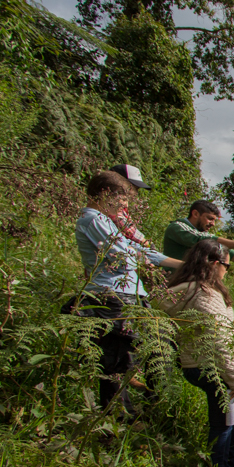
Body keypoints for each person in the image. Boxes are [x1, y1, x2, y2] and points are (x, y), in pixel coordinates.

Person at [71, 169, 183, 411]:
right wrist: (139, 253)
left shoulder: (114, 223)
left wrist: (185, 266)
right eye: (122, 199)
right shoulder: (93, 220)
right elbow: (122, 257)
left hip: (129, 294)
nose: (125, 205)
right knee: (115, 359)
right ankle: (117, 417)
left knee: (141, 352)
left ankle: (141, 408)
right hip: (111, 295)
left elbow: (143, 253)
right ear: (103, 194)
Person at [158, 240, 234, 467]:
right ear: (215, 263)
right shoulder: (205, 294)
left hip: (194, 363)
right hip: (218, 368)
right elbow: (219, 338)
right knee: (225, 425)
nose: (227, 272)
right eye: (227, 267)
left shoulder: (180, 290)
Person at [162, 200, 234, 264]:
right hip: (173, 281)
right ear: (195, 214)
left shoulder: (198, 231)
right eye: (209, 219)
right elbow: (204, 240)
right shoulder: (177, 227)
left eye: (214, 220)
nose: (213, 224)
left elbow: (222, 249)